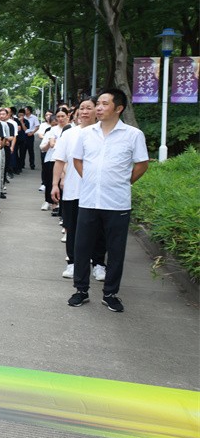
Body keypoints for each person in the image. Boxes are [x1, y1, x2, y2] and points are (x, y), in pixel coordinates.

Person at [68, 89, 148, 312]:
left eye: (104, 104)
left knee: (115, 250)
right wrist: (94, 181)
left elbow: (141, 164)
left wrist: (122, 182)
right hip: (89, 201)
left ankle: (110, 293)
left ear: (119, 108)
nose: (99, 108)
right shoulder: (86, 134)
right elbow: (77, 160)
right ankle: (81, 290)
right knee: (82, 247)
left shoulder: (133, 135)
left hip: (117, 203)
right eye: (98, 104)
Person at [52, 98, 105, 279]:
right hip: (73, 189)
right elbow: (59, 160)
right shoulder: (69, 133)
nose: (84, 112)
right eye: (81, 108)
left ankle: (98, 263)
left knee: (98, 229)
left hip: (97, 191)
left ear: (96, 111)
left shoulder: (103, 133)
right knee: (72, 228)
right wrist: (55, 184)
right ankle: (73, 263)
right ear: (75, 113)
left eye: (88, 108)